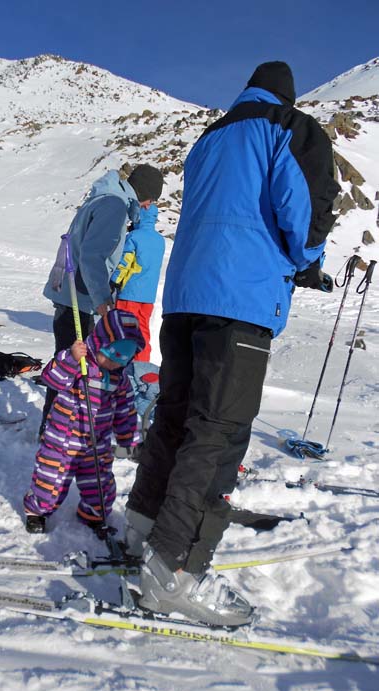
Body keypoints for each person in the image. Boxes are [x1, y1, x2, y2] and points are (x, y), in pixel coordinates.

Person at [125, 61, 340, 627]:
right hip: (238, 302)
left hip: (185, 296)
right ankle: (174, 571)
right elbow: (305, 210)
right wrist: (309, 263)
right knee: (217, 434)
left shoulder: (210, 136)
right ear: (287, 94)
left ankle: (143, 527)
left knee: (174, 415)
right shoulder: (287, 126)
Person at [39, 164, 164, 435]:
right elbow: (92, 256)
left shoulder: (105, 198)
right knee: (77, 364)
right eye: (151, 201)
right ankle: (60, 431)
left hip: (73, 293)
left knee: (69, 360)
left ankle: (55, 426)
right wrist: (103, 301)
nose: (148, 207)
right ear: (146, 196)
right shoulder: (115, 206)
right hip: (80, 297)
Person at [24, 309, 145, 533]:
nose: (112, 364)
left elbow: (125, 412)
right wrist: (70, 359)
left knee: (100, 485)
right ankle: (37, 512)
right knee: (50, 482)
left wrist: (130, 440)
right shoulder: (80, 365)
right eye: (108, 357)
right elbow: (51, 378)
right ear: (99, 343)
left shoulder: (120, 381)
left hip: (96, 444)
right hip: (62, 440)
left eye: (120, 361)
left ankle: (93, 514)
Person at [112, 203, 165, 362]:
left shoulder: (134, 237)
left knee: (124, 330)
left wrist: (114, 281)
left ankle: (121, 365)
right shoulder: (160, 240)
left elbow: (125, 262)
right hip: (148, 296)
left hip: (130, 292)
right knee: (142, 331)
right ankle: (141, 365)